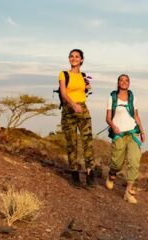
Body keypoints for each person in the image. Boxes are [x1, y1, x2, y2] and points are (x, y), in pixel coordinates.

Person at [105, 74, 145, 203]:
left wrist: (142, 131)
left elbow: (136, 115)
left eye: (126, 80)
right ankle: (112, 174)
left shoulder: (133, 98)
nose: (124, 82)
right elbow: (108, 118)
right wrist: (113, 126)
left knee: (135, 161)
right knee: (117, 162)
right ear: (118, 83)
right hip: (119, 133)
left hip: (133, 133)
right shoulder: (112, 98)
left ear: (129, 83)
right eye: (121, 80)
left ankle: (128, 192)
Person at [59, 49, 95, 187]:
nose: (74, 58)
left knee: (87, 141)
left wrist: (87, 88)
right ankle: (74, 174)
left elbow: (86, 91)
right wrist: (73, 104)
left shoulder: (84, 75)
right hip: (69, 109)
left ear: (81, 60)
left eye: (77, 57)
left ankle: (90, 172)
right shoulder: (64, 74)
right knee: (72, 143)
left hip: (83, 108)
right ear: (69, 59)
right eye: (71, 56)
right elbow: (63, 93)